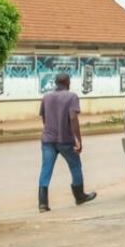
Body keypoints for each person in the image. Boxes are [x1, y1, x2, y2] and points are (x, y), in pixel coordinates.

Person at [37, 72, 97, 212]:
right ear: (68, 82)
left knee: (46, 169)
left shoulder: (46, 97)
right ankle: (79, 195)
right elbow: (73, 118)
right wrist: (78, 140)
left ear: (56, 83)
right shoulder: (72, 97)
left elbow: (44, 119)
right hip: (66, 140)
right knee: (75, 166)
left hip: (48, 139)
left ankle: (42, 203)